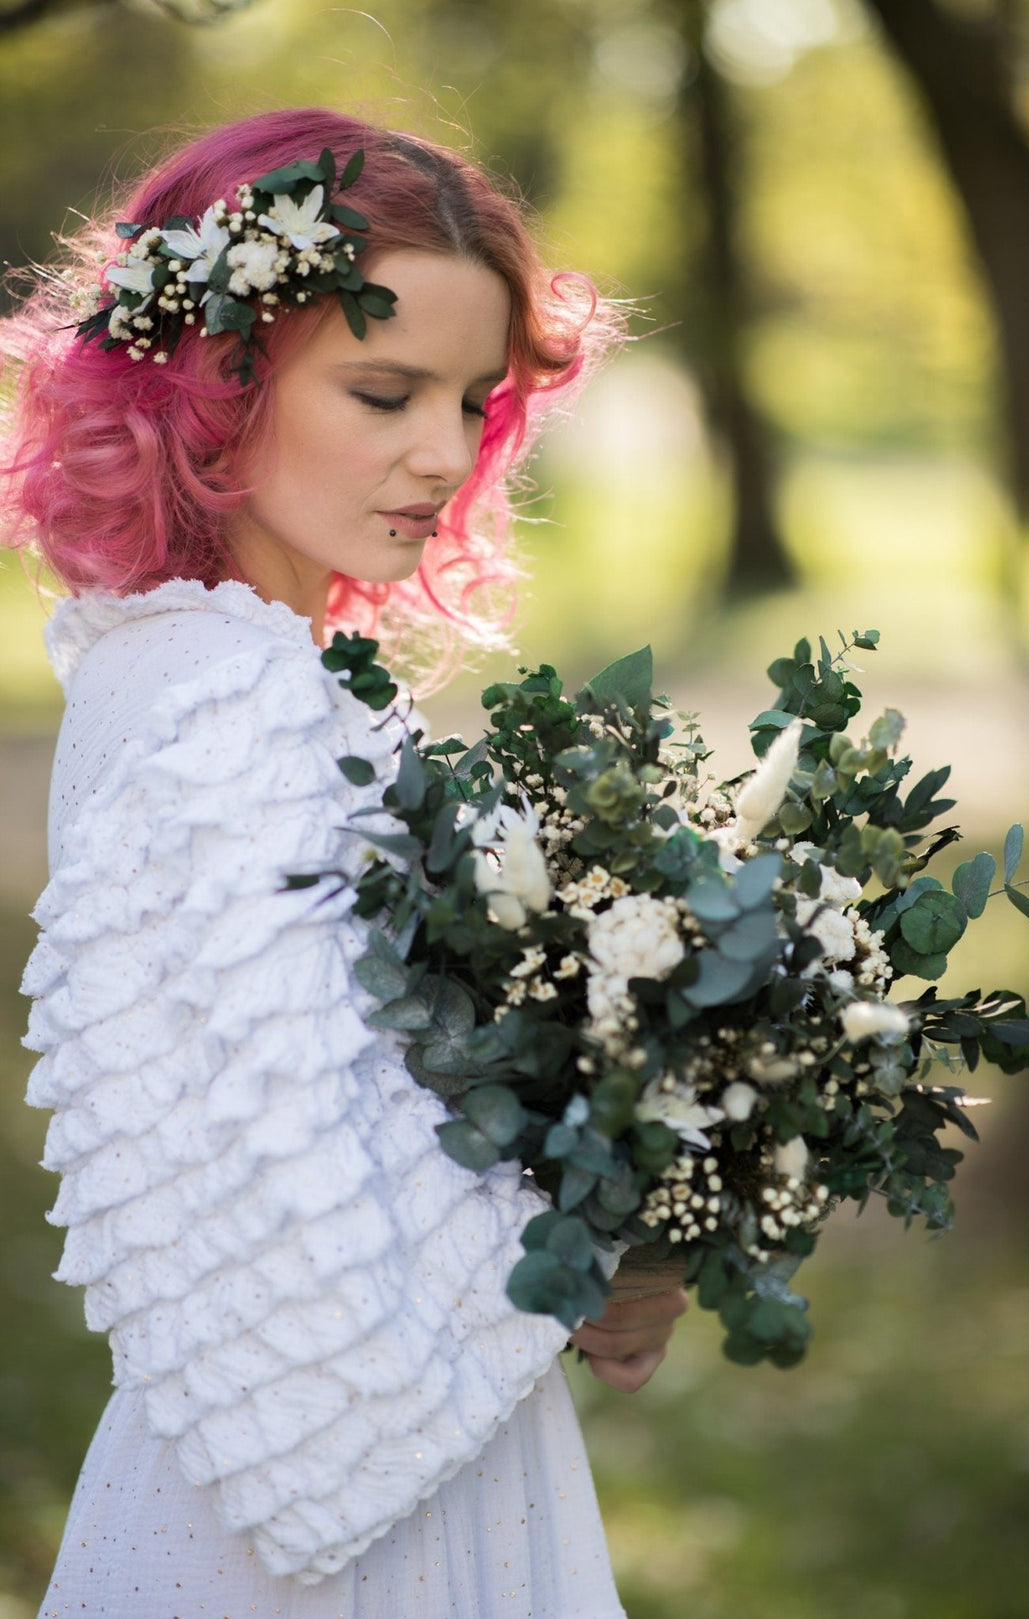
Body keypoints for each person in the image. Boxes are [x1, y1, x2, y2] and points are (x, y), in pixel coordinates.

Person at [2, 108, 688, 1619]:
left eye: (474, 401)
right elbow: (297, 1229)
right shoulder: (224, 703)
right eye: (384, 393)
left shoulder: (210, 668)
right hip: (322, 1524)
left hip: (379, 1457)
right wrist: (598, 1248)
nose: (443, 454)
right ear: (215, 377)